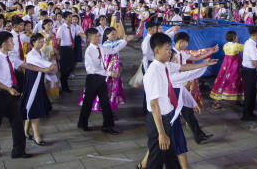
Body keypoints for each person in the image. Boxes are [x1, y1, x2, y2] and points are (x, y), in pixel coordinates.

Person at [142, 32, 215, 169]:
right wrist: (162, 133)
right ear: (157, 50)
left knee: (171, 157)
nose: (170, 52)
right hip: (158, 120)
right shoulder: (153, 72)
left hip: (167, 117)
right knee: (155, 160)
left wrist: (203, 64)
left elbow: (184, 67)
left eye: (170, 48)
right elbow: (154, 105)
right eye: (167, 49)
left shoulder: (166, 66)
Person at [0, 30, 50, 159]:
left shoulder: (11, 57)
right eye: (10, 41)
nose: (13, 43)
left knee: (17, 122)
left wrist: (43, 69)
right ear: (4, 44)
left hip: (10, 94)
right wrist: (8, 89)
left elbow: (26, 65)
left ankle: (18, 151)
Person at [77, 27, 132, 133]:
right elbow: (95, 68)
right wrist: (109, 73)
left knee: (105, 102)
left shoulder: (101, 47)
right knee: (88, 103)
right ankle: (82, 123)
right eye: (96, 36)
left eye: (98, 35)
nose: (98, 38)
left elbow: (113, 50)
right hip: (93, 79)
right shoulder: (89, 51)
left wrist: (125, 41)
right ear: (89, 38)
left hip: (101, 78)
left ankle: (108, 126)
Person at [20, 33, 57, 146]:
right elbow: (44, 65)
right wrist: (50, 66)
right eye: (39, 42)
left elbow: (46, 66)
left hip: (38, 82)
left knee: (31, 106)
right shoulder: (31, 54)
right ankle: (37, 136)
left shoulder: (40, 52)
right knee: (34, 107)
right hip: (33, 83)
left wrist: (50, 69)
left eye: (42, 41)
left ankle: (25, 131)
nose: (41, 43)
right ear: (33, 43)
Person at [210, 30, 245, 108]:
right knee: (237, 81)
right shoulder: (236, 46)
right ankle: (238, 99)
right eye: (236, 36)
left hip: (225, 66)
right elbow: (246, 48)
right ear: (234, 37)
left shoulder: (225, 45)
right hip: (234, 67)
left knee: (222, 81)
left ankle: (217, 101)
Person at [241, 25, 257, 121]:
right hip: (250, 71)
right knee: (250, 93)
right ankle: (246, 114)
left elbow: (252, 49)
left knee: (250, 92)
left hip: (246, 70)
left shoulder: (249, 42)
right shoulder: (252, 46)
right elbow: (255, 63)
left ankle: (250, 112)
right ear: (256, 34)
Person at [56, 11, 77, 93]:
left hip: (70, 48)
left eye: (71, 17)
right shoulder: (61, 28)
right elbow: (58, 41)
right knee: (64, 69)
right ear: (65, 18)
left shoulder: (73, 27)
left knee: (71, 67)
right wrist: (58, 52)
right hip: (63, 49)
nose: (71, 18)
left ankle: (64, 81)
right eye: (69, 17)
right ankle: (64, 86)